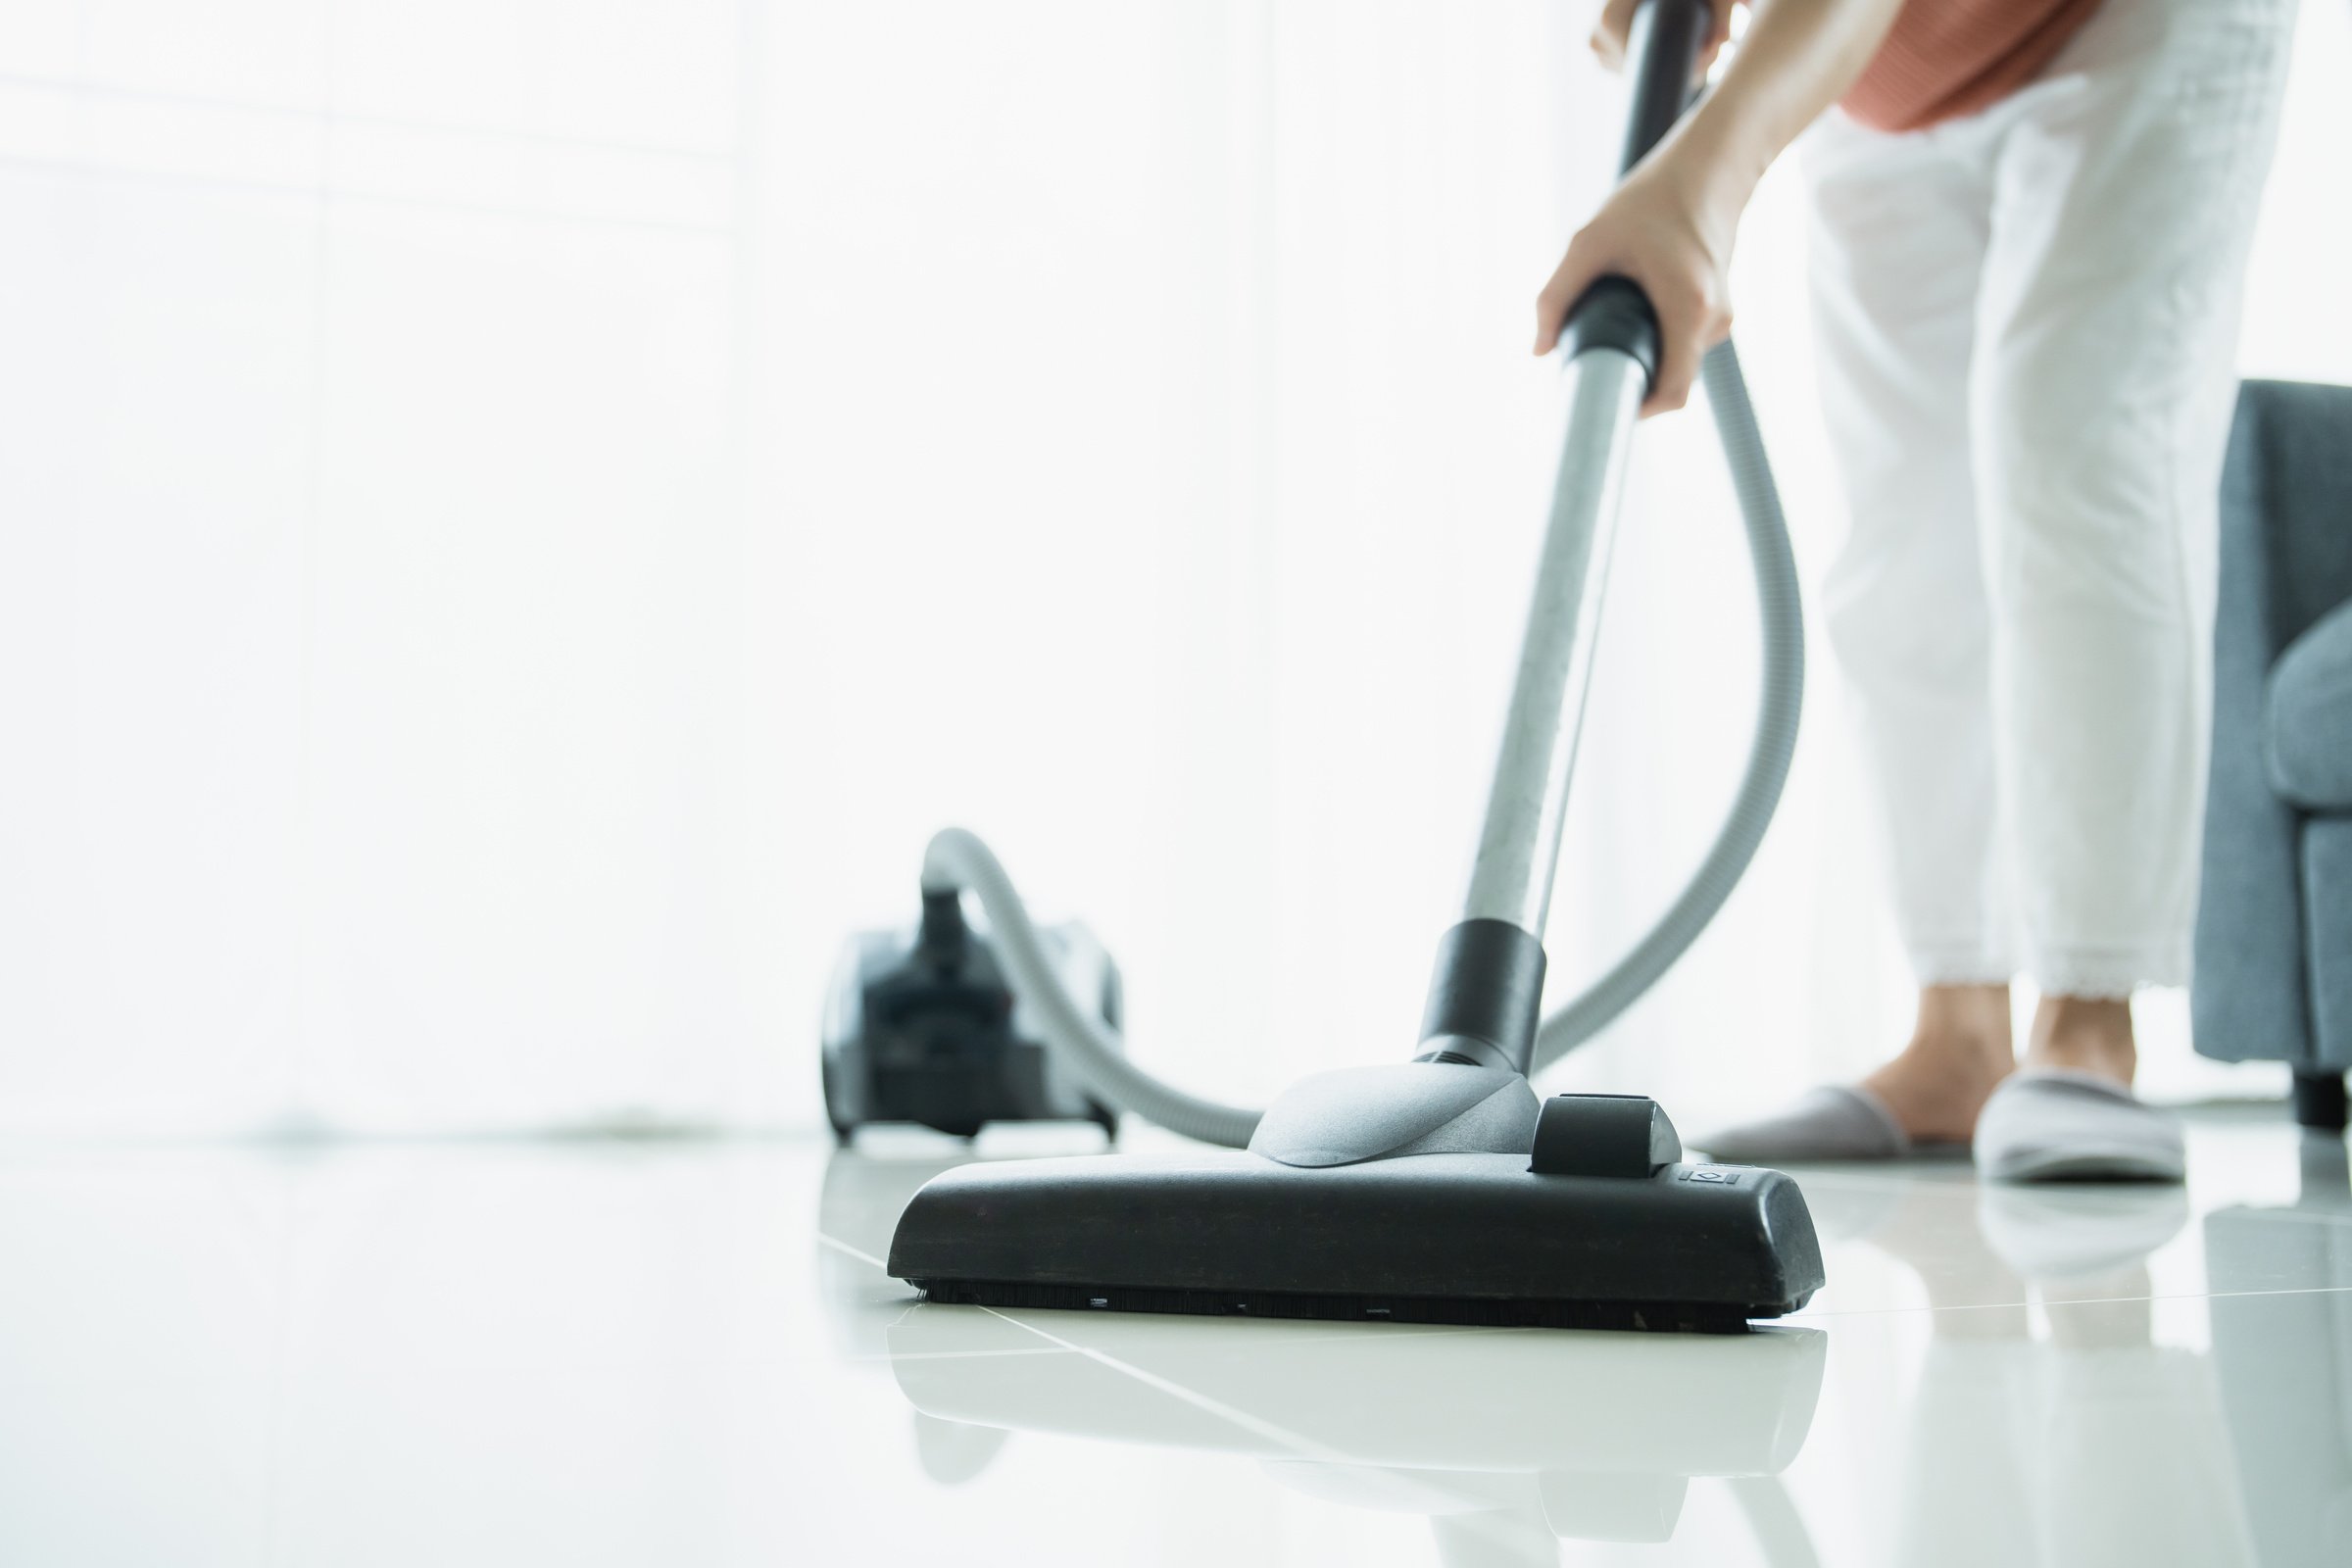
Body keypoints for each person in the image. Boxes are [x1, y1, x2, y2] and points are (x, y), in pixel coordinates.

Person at [1536, 0, 2294, 1178]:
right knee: (1904, 520)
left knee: (2075, 450)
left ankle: (2090, 1031)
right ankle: (1959, 1035)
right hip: (1887, 72)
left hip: (2141, 22)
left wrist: (1702, 183)